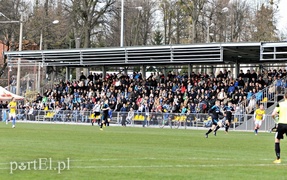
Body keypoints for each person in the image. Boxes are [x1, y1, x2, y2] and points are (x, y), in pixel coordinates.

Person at [271, 92, 287, 164]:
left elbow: (273, 114)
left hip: (281, 124)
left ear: (284, 97)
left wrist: (276, 120)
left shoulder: (280, 104)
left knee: (277, 140)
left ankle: (278, 158)